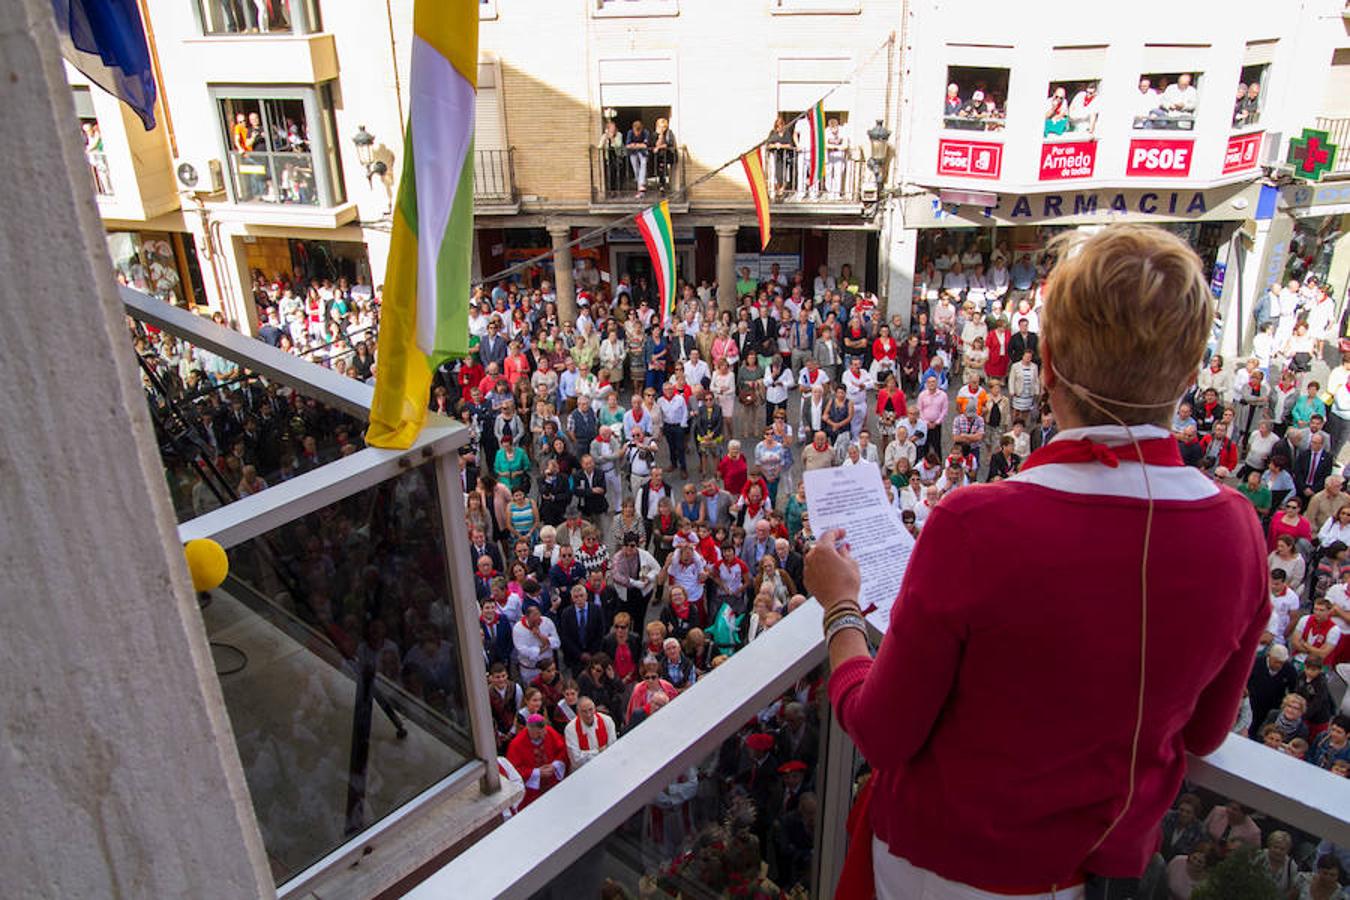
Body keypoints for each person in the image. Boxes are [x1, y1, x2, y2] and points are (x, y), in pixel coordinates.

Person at [805, 225, 1269, 897]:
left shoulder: (977, 522)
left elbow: (880, 730)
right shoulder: (1239, 531)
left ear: (1046, 364)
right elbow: (1204, 731)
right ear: (1194, 374)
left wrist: (841, 609)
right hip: (1102, 870)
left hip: (943, 870)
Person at [505, 714, 568, 809]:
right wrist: (537, 773)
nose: (543, 736)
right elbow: (513, 771)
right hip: (532, 793)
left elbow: (563, 749)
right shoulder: (516, 745)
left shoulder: (549, 732)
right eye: (538, 734)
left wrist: (555, 765)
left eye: (544, 732)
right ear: (529, 730)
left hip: (554, 783)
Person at [564, 695, 616, 770]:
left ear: (595, 709)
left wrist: (587, 754)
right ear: (578, 712)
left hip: (607, 764)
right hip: (583, 770)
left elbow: (612, 748)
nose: (588, 715)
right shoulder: (570, 729)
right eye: (584, 711)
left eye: (590, 710)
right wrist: (598, 751)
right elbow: (576, 760)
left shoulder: (607, 721)